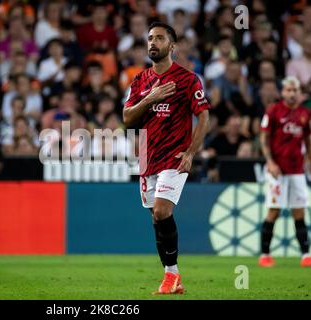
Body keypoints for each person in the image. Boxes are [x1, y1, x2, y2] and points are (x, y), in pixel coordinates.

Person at [122, 22, 210, 294]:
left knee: (162, 211)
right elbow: (127, 118)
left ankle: (170, 276)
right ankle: (173, 277)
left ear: (172, 46)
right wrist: (150, 98)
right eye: (150, 38)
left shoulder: (187, 79)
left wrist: (191, 152)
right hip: (149, 157)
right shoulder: (139, 80)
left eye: (159, 38)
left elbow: (203, 116)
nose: (152, 42)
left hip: (175, 155)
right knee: (156, 219)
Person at [259, 76, 311, 268]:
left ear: (300, 93)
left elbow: (308, 143)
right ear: (283, 92)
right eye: (289, 90)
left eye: (295, 90)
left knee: (299, 212)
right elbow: (264, 139)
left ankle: (306, 256)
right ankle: (265, 255)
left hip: (297, 171)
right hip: (278, 170)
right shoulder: (273, 111)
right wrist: (270, 162)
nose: (292, 94)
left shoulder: (304, 114)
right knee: (274, 211)